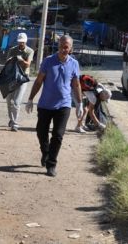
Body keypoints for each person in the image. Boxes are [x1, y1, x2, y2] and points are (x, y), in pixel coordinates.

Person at [25, 35, 84, 177]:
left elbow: (76, 84)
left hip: (64, 105)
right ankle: (46, 152)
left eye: (66, 47)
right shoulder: (48, 61)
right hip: (45, 104)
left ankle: (51, 164)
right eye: (61, 46)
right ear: (58, 46)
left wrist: (80, 103)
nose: (64, 49)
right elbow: (39, 81)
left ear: (71, 48)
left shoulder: (74, 64)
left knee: (58, 135)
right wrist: (31, 98)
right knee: (41, 132)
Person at [5, 33, 34, 132]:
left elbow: (27, 65)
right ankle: (11, 119)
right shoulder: (12, 50)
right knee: (9, 101)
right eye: (19, 42)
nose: (21, 43)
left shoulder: (29, 51)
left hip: (23, 79)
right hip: (12, 78)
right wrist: (11, 60)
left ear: (25, 41)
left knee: (17, 101)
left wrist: (19, 59)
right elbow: (7, 63)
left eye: (22, 42)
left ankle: (15, 123)